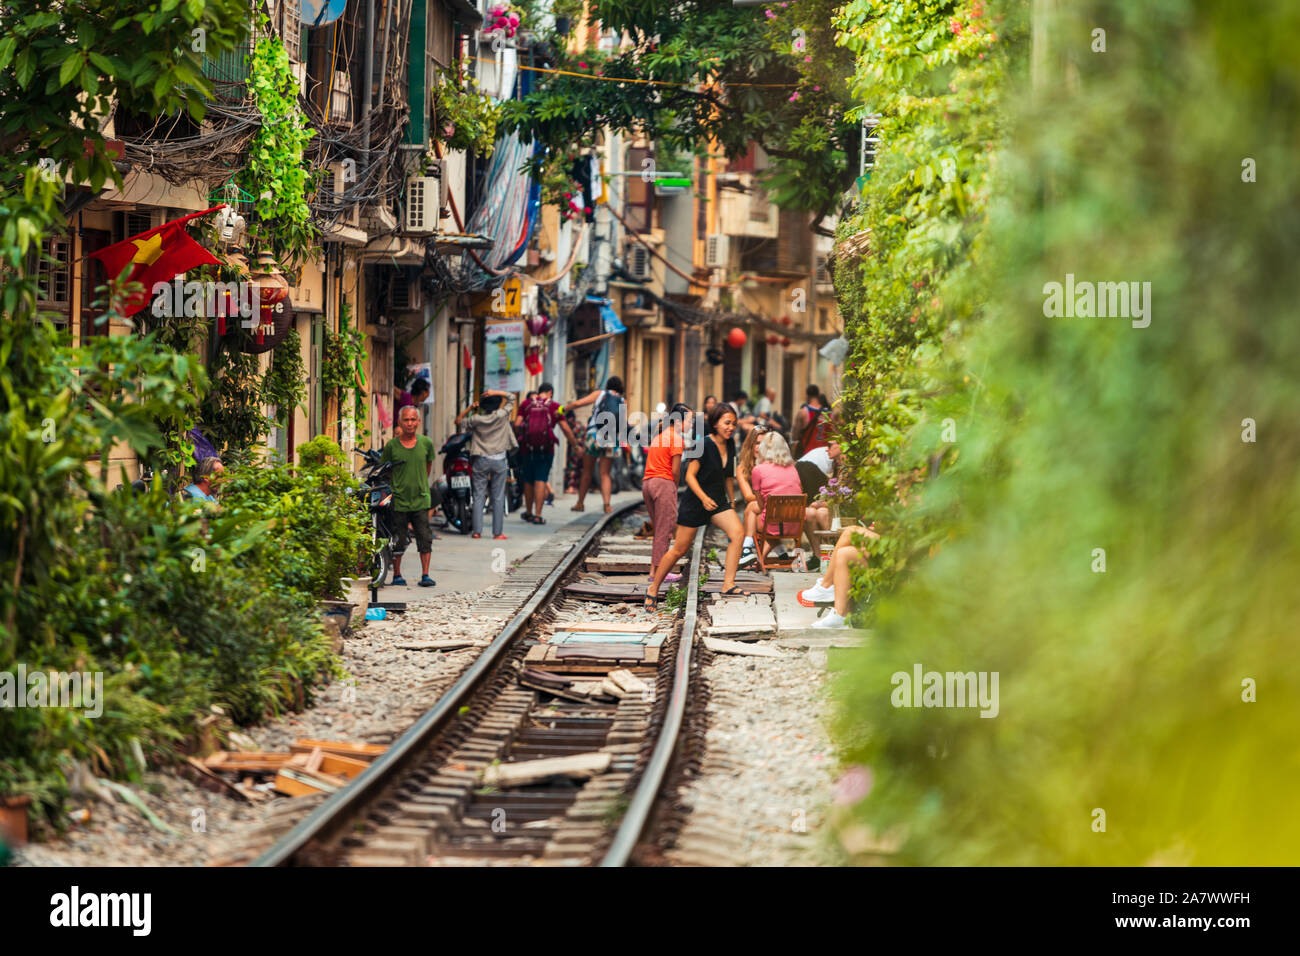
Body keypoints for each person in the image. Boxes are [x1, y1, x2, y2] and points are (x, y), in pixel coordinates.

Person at [646, 403, 746, 607]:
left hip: (717, 501)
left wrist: (732, 502)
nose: (731, 427)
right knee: (679, 549)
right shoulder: (704, 445)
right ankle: (653, 588)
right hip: (696, 501)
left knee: (737, 533)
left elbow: (728, 476)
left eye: (734, 424)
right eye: (727, 423)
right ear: (715, 423)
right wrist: (702, 498)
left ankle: (728, 583)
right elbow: (690, 476)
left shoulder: (730, 444)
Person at [380, 405, 438, 587]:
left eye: (413, 419)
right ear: (400, 422)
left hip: (420, 498)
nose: (410, 423)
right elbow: (387, 470)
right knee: (398, 538)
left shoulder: (426, 444)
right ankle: (397, 575)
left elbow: (427, 467)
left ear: (419, 422)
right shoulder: (391, 446)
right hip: (399, 499)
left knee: (424, 537)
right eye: (406, 420)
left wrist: (419, 483)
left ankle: (425, 575)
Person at [642, 403, 694, 584]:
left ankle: (654, 570)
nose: (692, 424)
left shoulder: (661, 436)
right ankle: (659, 574)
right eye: (690, 420)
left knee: (659, 529)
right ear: (679, 422)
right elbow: (676, 470)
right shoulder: (676, 439)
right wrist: (674, 486)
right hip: (663, 483)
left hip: (647, 483)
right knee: (665, 530)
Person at [457, 388, 517, 540]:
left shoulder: (476, 419)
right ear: (497, 405)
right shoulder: (502, 415)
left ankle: (477, 532)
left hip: (481, 459)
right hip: (499, 460)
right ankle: (497, 533)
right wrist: (496, 392)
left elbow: (458, 421)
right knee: (497, 497)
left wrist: (471, 407)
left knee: (478, 496)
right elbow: (512, 397)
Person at [739, 431, 804, 567]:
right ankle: (781, 552)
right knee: (768, 514)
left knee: (753, 509)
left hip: (773, 526)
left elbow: (761, 505)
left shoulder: (759, 469)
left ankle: (746, 549)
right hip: (795, 526)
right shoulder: (793, 468)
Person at [516, 383, 577, 525]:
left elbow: (517, 424)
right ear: (550, 392)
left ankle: (529, 512)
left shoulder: (525, 404)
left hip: (527, 448)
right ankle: (538, 515)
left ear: (539, 392)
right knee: (541, 478)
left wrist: (522, 437)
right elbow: (566, 429)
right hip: (546, 449)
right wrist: (575, 445)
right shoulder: (554, 406)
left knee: (528, 479)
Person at [798, 524, 879, 629]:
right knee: (844, 552)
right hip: (893, 546)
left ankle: (827, 587)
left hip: (898, 553)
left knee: (851, 532)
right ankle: (839, 615)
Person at [567, 376, 625, 514]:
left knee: (587, 472)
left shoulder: (600, 394)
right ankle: (607, 505)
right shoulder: (622, 401)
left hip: (595, 435)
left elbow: (578, 403)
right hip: (611, 438)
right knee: (605, 473)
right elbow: (622, 425)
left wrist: (563, 409)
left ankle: (580, 503)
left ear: (608, 385)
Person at [795, 439, 842, 570]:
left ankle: (833, 556)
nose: (826, 449)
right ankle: (818, 556)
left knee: (821, 512)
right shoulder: (836, 466)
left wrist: (821, 503)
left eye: (830, 445)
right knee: (809, 513)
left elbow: (845, 497)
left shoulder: (848, 468)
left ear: (841, 445)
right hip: (835, 505)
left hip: (843, 508)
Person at [792, 384, 830, 457]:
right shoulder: (829, 414)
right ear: (819, 394)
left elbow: (795, 435)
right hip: (825, 455)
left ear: (807, 395)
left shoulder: (803, 412)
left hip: (808, 455)